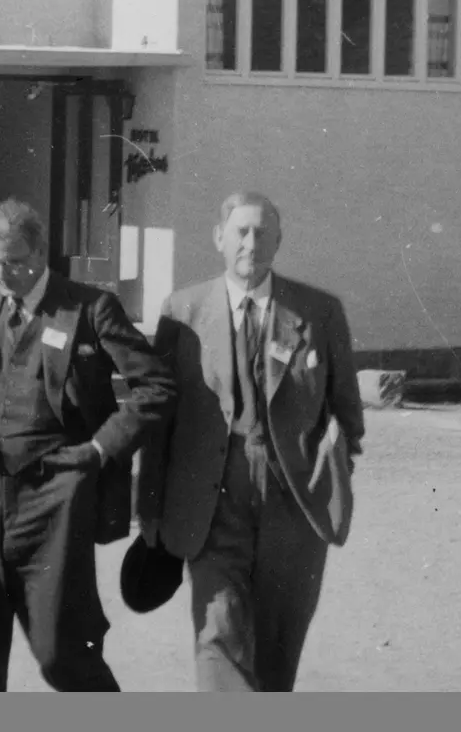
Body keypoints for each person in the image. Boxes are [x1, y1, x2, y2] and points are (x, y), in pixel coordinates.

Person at [0, 198, 176, 691]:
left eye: (13, 262)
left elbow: (157, 386)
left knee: (63, 653)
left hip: (54, 501)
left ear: (41, 250)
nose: (1, 275)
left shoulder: (88, 308)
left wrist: (100, 448)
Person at [138, 191, 365, 692]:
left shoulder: (319, 312)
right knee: (217, 632)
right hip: (211, 500)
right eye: (241, 231)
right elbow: (159, 424)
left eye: (263, 232)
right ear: (219, 238)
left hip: (293, 504)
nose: (251, 242)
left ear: (278, 241)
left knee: (278, 651)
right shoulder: (182, 311)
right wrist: (150, 510)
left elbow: (348, 414)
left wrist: (329, 473)